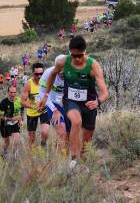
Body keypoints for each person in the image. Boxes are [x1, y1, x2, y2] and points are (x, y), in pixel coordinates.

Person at [39, 36, 109, 167]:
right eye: (74, 55)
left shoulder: (93, 65)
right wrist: (46, 95)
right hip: (70, 101)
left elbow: (105, 92)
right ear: (70, 52)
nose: (77, 59)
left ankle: (83, 164)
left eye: (80, 55)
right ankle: (74, 159)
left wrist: (98, 101)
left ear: (85, 51)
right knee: (76, 122)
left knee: (87, 139)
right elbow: (52, 75)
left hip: (89, 103)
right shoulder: (62, 62)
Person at [39, 56, 70, 151]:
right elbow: (42, 93)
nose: (62, 73)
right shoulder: (48, 73)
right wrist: (54, 109)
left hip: (67, 103)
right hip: (52, 104)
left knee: (69, 135)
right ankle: (61, 164)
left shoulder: (72, 72)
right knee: (62, 133)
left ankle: (61, 155)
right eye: (59, 70)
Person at [21, 63, 50, 147]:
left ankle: (43, 145)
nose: (39, 76)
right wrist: (33, 107)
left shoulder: (47, 81)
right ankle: (31, 154)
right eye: (37, 74)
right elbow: (22, 102)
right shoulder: (28, 84)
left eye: (41, 73)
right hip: (32, 112)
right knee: (31, 139)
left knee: (45, 132)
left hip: (43, 110)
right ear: (33, 73)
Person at [0, 86, 23, 157]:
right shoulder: (3, 102)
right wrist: (11, 119)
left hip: (15, 124)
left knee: (16, 140)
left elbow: (22, 111)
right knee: (7, 142)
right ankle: (5, 152)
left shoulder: (19, 100)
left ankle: (15, 155)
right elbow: (0, 117)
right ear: (8, 92)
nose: (13, 94)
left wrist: (20, 119)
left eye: (14, 92)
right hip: (5, 125)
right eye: (11, 92)